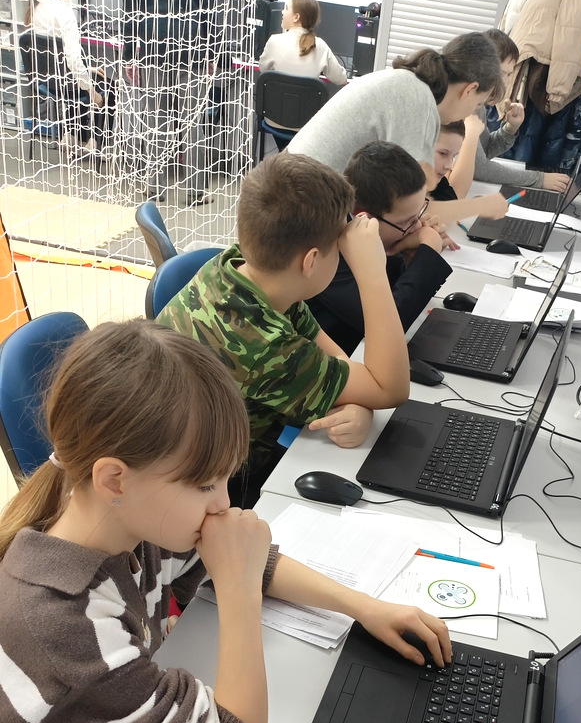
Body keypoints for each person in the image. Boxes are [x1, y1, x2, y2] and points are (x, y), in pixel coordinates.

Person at [0, 320, 450, 723]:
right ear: (114, 479)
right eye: (204, 484)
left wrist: (362, 606)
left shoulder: (126, 523)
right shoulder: (54, 624)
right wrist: (237, 592)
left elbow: (250, 561)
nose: (222, 504)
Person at [157, 151, 410, 506]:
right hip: (210, 491)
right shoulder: (263, 344)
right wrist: (372, 273)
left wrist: (360, 400)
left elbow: (345, 365)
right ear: (310, 261)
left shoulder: (240, 269)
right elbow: (392, 388)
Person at [286, 31, 503, 177]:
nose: (474, 111)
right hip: (299, 197)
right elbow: (407, 201)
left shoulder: (412, 85)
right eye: (479, 104)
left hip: (292, 178)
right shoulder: (419, 102)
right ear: (470, 89)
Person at [307, 141, 454, 356]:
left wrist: (410, 259)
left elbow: (392, 290)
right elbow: (390, 324)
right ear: (365, 219)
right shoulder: (327, 251)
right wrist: (429, 251)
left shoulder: (379, 232)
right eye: (407, 221)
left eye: (419, 214)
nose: (418, 227)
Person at [120, 0, 219, 205]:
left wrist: (129, 55)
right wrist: (211, 53)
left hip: (154, 45)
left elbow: (131, 10)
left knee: (156, 120)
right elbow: (209, 10)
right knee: (192, 123)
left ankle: (155, 187)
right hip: (191, 48)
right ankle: (196, 192)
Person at [474, 28, 569, 192]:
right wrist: (539, 179)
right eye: (503, 74)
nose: (506, 82)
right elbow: (478, 167)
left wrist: (510, 128)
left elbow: (484, 150)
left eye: (509, 75)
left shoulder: (478, 106)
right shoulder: (465, 108)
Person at [25, 0, 103, 152]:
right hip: (66, 83)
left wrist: (88, 70)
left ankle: (71, 135)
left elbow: (54, 59)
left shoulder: (34, 11)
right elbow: (73, 61)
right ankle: (97, 145)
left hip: (47, 82)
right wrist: (92, 92)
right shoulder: (64, 13)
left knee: (81, 79)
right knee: (107, 86)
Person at [258, 0, 348, 86]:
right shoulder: (320, 46)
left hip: (277, 95)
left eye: (287, 9)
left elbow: (262, 69)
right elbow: (341, 79)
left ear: (296, 17)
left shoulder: (274, 41)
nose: (282, 12)